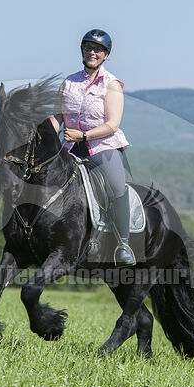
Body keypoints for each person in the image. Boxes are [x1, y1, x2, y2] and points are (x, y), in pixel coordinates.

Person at [51, 29, 136, 267]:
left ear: (106, 55)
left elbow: (112, 124)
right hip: (69, 149)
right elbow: (58, 116)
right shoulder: (68, 82)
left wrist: (84, 135)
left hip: (102, 147)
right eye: (88, 48)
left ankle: (123, 244)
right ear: (82, 50)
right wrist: (43, 133)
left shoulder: (112, 85)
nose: (92, 52)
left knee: (116, 185)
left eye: (98, 50)